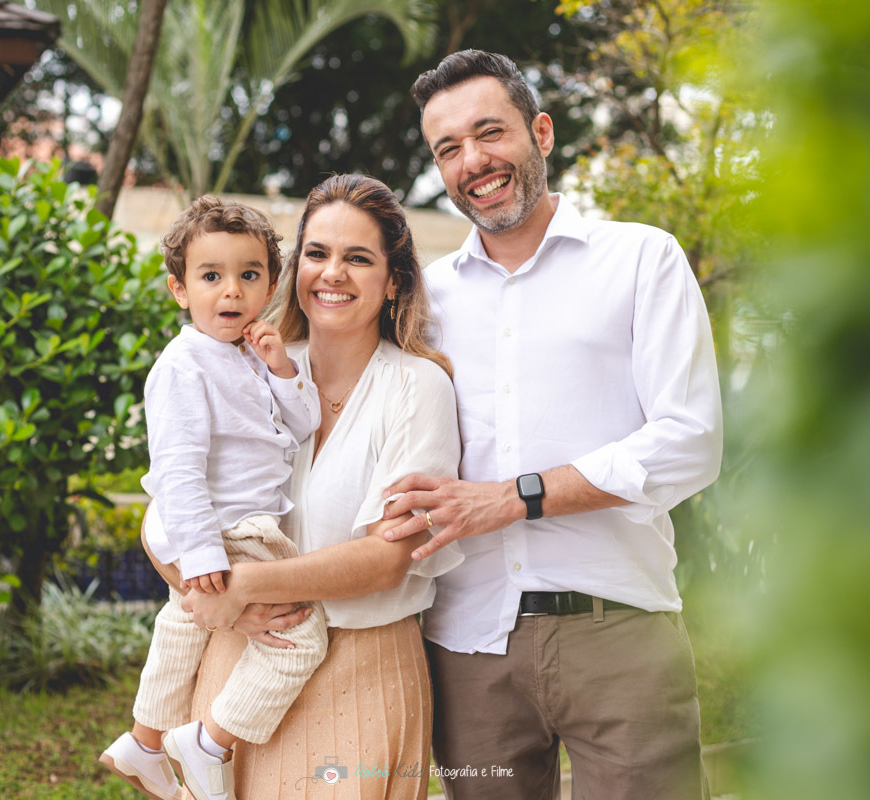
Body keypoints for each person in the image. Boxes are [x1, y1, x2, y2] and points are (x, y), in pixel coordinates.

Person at [381, 50, 724, 800]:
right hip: (467, 643)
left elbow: (690, 443)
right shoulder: (424, 301)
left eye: (490, 132)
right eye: (449, 149)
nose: (474, 161)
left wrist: (514, 497)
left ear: (541, 131)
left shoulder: (641, 260)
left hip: (619, 628)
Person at [145, 173, 464, 799]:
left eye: (359, 258)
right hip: (237, 670)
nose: (332, 273)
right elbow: (169, 505)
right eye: (317, 254)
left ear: (394, 280)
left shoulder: (417, 388)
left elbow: (385, 560)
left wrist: (237, 588)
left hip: (363, 669)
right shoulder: (245, 366)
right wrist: (196, 585)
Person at [101, 196, 330, 800]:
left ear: (271, 286)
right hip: (227, 533)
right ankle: (210, 743)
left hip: (229, 530)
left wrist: (281, 368)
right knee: (300, 636)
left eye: (248, 276)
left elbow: (304, 424)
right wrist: (202, 558)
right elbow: (178, 470)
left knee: (182, 625)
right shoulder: (183, 365)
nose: (231, 291)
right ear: (180, 289)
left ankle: (143, 741)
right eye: (211, 277)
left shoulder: (251, 356)